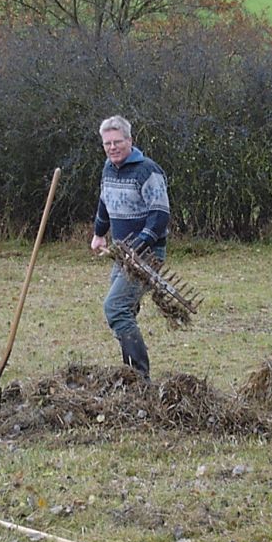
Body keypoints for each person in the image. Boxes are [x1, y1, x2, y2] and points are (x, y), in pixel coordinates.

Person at [89, 115, 171, 380]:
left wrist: (140, 245)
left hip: (146, 255)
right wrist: (99, 233)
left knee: (115, 308)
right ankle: (130, 374)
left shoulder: (148, 170)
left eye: (117, 142)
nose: (112, 147)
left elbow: (160, 215)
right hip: (121, 255)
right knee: (125, 311)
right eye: (107, 143)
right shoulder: (108, 169)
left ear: (129, 141)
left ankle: (140, 378)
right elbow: (105, 203)